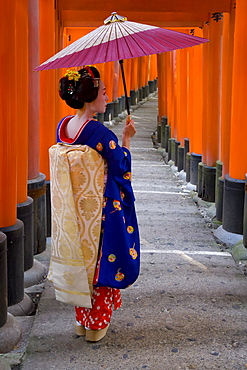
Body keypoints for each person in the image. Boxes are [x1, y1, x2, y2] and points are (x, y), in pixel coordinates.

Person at [54, 66, 140, 342]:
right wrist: (126, 139)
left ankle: (82, 321)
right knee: (102, 265)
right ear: (91, 97)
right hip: (101, 212)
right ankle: (97, 325)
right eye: (103, 92)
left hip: (75, 210)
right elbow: (120, 168)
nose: (107, 96)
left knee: (82, 263)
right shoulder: (100, 134)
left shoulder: (63, 127)